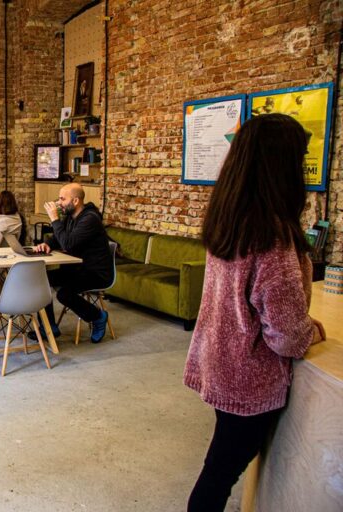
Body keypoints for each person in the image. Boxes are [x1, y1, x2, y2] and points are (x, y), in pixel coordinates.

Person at [184, 113, 325, 512]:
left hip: (221, 364)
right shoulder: (272, 236)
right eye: (300, 158)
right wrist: (313, 330)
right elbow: (288, 336)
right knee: (218, 475)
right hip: (249, 377)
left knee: (219, 468)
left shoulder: (231, 219)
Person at [31, 183, 112, 342]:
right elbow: (59, 238)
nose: (59, 203)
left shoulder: (90, 219)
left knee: (64, 294)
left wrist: (54, 219)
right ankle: (48, 328)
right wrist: (48, 244)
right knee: (41, 280)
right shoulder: (70, 216)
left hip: (96, 273)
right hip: (76, 269)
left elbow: (68, 244)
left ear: (75, 201)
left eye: (62, 199)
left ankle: (98, 316)